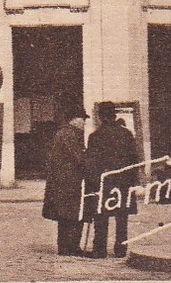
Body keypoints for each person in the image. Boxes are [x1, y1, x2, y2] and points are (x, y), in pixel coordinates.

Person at [84, 102, 141, 258]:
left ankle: (100, 249)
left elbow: (91, 162)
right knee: (122, 217)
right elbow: (134, 160)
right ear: (114, 115)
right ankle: (121, 249)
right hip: (123, 183)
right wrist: (132, 180)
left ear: (100, 116)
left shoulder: (95, 137)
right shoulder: (127, 134)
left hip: (104, 183)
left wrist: (92, 182)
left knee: (101, 215)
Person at [42, 105, 90, 256]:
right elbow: (79, 158)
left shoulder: (63, 133)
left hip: (62, 182)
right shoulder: (71, 135)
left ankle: (64, 247)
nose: (84, 122)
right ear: (74, 120)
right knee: (76, 214)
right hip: (70, 182)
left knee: (65, 216)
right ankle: (72, 247)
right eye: (82, 119)